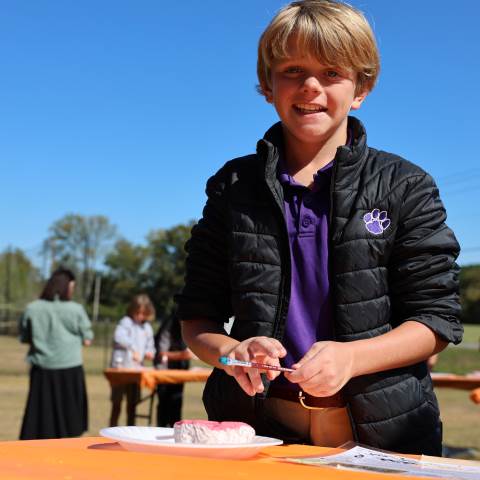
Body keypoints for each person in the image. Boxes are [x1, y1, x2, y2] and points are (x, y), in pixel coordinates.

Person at [176, 0, 463, 456]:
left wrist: (353, 357)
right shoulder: (233, 185)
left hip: (387, 433)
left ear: (361, 86)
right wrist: (234, 353)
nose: (310, 86)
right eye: (291, 69)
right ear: (267, 84)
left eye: (332, 72)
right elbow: (196, 319)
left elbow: (436, 319)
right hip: (257, 433)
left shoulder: (406, 185)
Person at [19, 268, 93, 440]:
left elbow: (25, 337)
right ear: (67, 287)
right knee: (70, 417)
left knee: (41, 414)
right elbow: (87, 339)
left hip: (42, 369)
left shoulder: (32, 308)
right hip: (70, 369)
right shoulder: (76, 310)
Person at [109, 294, 155, 426]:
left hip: (135, 371)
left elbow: (150, 346)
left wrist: (149, 353)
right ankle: (111, 432)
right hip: (120, 369)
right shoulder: (126, 322)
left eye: (143, 313)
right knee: (116, 405)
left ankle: (129, 431)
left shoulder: (147, 328)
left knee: (132, 405)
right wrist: (132, 348)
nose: (140, 316)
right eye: (138, 312)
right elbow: (118, 337)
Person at [154, 316, 193, 427]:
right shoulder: (169, 325)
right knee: (164, 403)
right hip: (164, 372)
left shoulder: (188, 327)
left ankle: (175, 429)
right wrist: (181, 355)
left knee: (177, 402)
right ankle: (161, 429)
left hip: (179, 372)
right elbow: (162, 354)